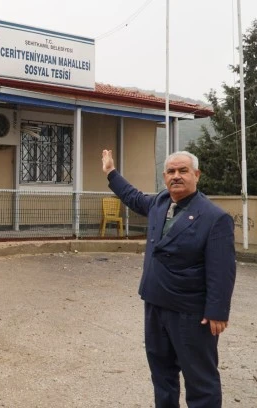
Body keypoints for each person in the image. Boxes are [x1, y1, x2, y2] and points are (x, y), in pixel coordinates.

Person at [101, 149, 236, 407]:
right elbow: (132, 196)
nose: (176, 176)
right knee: (162, 375)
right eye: (171, 172)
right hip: (155, 303)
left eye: (183, 171)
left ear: (196, 175)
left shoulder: (214, 217)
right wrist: (111, 172)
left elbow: (222, 269)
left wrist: (218, 311)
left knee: (200, 381)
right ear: (164, 177)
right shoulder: (160, 202)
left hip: (190, 313)